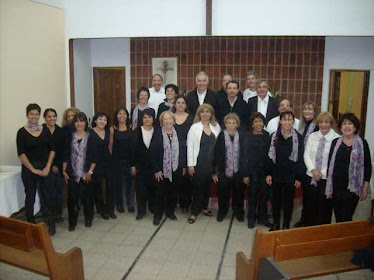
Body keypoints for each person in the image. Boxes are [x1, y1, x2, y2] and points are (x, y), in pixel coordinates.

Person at [17, 103, 56, 235]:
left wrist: (48, 167)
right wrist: (33, 169)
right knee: (30, 197)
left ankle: (50, 223)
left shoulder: (45, 130)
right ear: (27, 115)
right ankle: (31, 225)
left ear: (40, 115)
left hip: (45, 168)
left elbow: (52, 149)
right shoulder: (21, 132)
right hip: (29, 170)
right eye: (31, 114)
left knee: (48, 196)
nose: (34, 116)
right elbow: (21, 153)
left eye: (36, 114)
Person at [326, 113, 372, 223]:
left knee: (346, 216)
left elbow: (367, 166)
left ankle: (346, 237)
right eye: (344, 124)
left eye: (350, 124)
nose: (347, 126)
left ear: (355, 127)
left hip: (353, 188)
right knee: (338, 216)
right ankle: (341, 237)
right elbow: (330, 165)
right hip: (337, 187)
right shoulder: (335, 142)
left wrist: (365, 187)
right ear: (340, 128)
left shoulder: (362, 143)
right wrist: (329, 185)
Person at [266, 111, 304, 231]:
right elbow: (269, 157)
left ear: (293, 121)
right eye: (284, 119)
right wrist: (268, 173)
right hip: (277, 173)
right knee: (276, 200)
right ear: (280, 121)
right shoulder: (274, 136)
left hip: (291, 174)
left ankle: (286, 224)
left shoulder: (298, 137)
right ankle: (276, 223)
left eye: (289, 119)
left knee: (288, 201)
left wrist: (299, 177)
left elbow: (301, 158)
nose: (287, 122)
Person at [150, 111, 186, 225]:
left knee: (174, 193)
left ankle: (170, 212)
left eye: (170, 118)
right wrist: (156, 170)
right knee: (160, 193)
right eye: (165, 119)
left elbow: (183, 151)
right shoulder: (157, 134)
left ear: (173, 120)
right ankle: (158, 215)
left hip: (176, 168)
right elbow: (151, 153)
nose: (168, 121)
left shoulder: (179, 133)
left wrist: (183, 166)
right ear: (162, 122)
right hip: (161, 170)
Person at [187, 104, 221, 224]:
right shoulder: (194, 128)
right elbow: (190, 146)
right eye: (203, 112)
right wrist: (190, 165)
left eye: (208, 112)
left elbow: (219, 147)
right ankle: (193, 212)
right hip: (199, 162)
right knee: (198, 188)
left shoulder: (216, 127)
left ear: (211, 114)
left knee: (207, 186)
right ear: (199, 114)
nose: (205, 114)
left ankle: (204, 207)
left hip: (212, 163)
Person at [304, 112, 339, 226]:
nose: (323, 125)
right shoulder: (312, 136)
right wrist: (313, 170)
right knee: (311, 205)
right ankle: (310, 230)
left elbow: (334, 160)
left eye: (326, 122)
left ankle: (322, 232)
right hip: (311, 176)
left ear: (331, 124)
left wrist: (321, 173)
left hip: (326, 179)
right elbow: (307, 154)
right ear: (318, 123)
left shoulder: (337, 139)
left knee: (324, 207)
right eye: (321, 122)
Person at [62, 112, 96, 231]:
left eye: (81, 121)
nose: (79, 124)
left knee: (87, 198)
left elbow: (94, 156)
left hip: (87, 172)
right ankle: (72, 222)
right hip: (72, 172)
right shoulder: (69, 136)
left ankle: (88, 219)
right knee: (72, 199)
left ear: (85, 122)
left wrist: (90, 172)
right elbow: (66, 154)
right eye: (76, 121)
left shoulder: (90, 136)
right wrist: (64, 170)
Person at [212, 113, 246, 222]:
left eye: (233, 123)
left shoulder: (241, 135)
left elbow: (244, 153)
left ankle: (238, 212)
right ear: (225, 124)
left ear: (237, 124)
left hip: (238, 170)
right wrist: (215, 171)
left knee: (239, 193)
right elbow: (216, 153)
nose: (231, 125)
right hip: (224, 171)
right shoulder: (221, 136)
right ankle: (222, 212)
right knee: (223, 193)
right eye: (229, 123)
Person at [242, 112, 272, 228]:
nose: (258, 123)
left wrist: (269, 173)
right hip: (252, 170)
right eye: (256, 121)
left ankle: (262, 218)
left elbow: (270, 155)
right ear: (252, 124)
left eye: (260, 121)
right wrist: (245, 174)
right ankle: (251, 218)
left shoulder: (267, 135)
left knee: (264, 195)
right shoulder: (247, 136)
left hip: (264, 170)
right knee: (252, 195)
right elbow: (244, 156)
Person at [294, 101, 319, 228]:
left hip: (313, 166)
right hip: (302, 165)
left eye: (310, 109)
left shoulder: (318, 126)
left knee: (312, 196)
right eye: (305, 109)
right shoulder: (302, 126)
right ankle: (304, 219)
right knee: (306, 195)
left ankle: (310, 222)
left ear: (315, 112)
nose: (307, 112)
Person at [131, 109, 158, 220]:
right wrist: (133, 165)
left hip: (154, 165)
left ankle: (152, 207)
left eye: (149, 117)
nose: (147, 119)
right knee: (141, 189)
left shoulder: (158, 131)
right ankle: (141, 211)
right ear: (141, 119)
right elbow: (131, 150)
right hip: (140, 165)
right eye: (145, 117)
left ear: (153, 119)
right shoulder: (136, 132)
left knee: (153, 188)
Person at [91, 112, 116, 220]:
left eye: (104, 120)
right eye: (100, 119)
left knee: (110, 185)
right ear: (95, 120)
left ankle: (110, 209)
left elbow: (110, 146)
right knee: (98, 186)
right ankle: (101, 209)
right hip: (95, 163)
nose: (102, 122)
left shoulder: (107, 131)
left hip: (108, 162)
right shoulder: (90, 132)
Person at [109, 108, 135, 213]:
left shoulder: (132, 127)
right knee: (118, 184)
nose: (122, 116)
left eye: (124, 114)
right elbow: (110, 146)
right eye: (120, 114)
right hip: (117, 160)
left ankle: (130, 204)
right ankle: (119, 204)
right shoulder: (112, 128)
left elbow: (134, 145)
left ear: (127, 116)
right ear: (116, 116)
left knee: (130, 184)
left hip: (129, 160)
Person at [172, 95, 194, 213]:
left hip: (186, 151)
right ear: (174, 105)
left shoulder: (191, 118)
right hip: (172, 151)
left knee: (185, 180)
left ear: (186, 105)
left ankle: (185, 204)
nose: (180, 105)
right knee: (173, 179)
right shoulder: (170, 117)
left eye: (183, 103)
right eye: (178, 103)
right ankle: (172, 203)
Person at [43, 108, 65, 224]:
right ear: (45, 118)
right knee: (46, 192)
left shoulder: (61, 131)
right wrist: (48, 165)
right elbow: (41, 150)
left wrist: (57, 165)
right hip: (45, 166)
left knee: (58, 191)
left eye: (54, 116)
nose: (52, 118)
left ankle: (57, 214)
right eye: (49, 116)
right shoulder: (41, 130)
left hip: (58, 167)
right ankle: (48, 214)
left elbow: (62, 150)